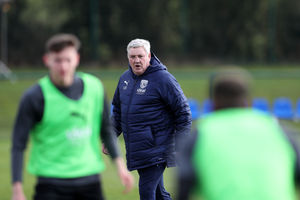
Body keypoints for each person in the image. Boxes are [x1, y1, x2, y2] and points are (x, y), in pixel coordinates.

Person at [11, 33, 134, 200]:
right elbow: (18, 144)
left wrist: (120, 166)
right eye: (58, 60)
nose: (63, 67)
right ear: (47, 60)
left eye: (67, 60)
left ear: (76, 59)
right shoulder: (35, 97)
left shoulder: (95, 88)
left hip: (90, 181)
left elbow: (106, 129)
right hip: (50, 184)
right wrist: (17, 188)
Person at [176, 68, 300, 200]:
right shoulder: (277, 127)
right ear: (247, 100)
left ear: (214, 101)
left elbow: (184, 182)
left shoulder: (201, 132)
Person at [110, 38, 192, 200]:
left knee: (146, 192)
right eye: (133, 57)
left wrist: (181, 143)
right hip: (138, 148)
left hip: (157, 148)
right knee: (159, 194)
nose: (137, 60)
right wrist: (111, 137)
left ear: (149, 56)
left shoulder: (164, 79)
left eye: (140, 56)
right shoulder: (124, 79)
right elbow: (118, 112)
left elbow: (183, 112)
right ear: (128, 58)